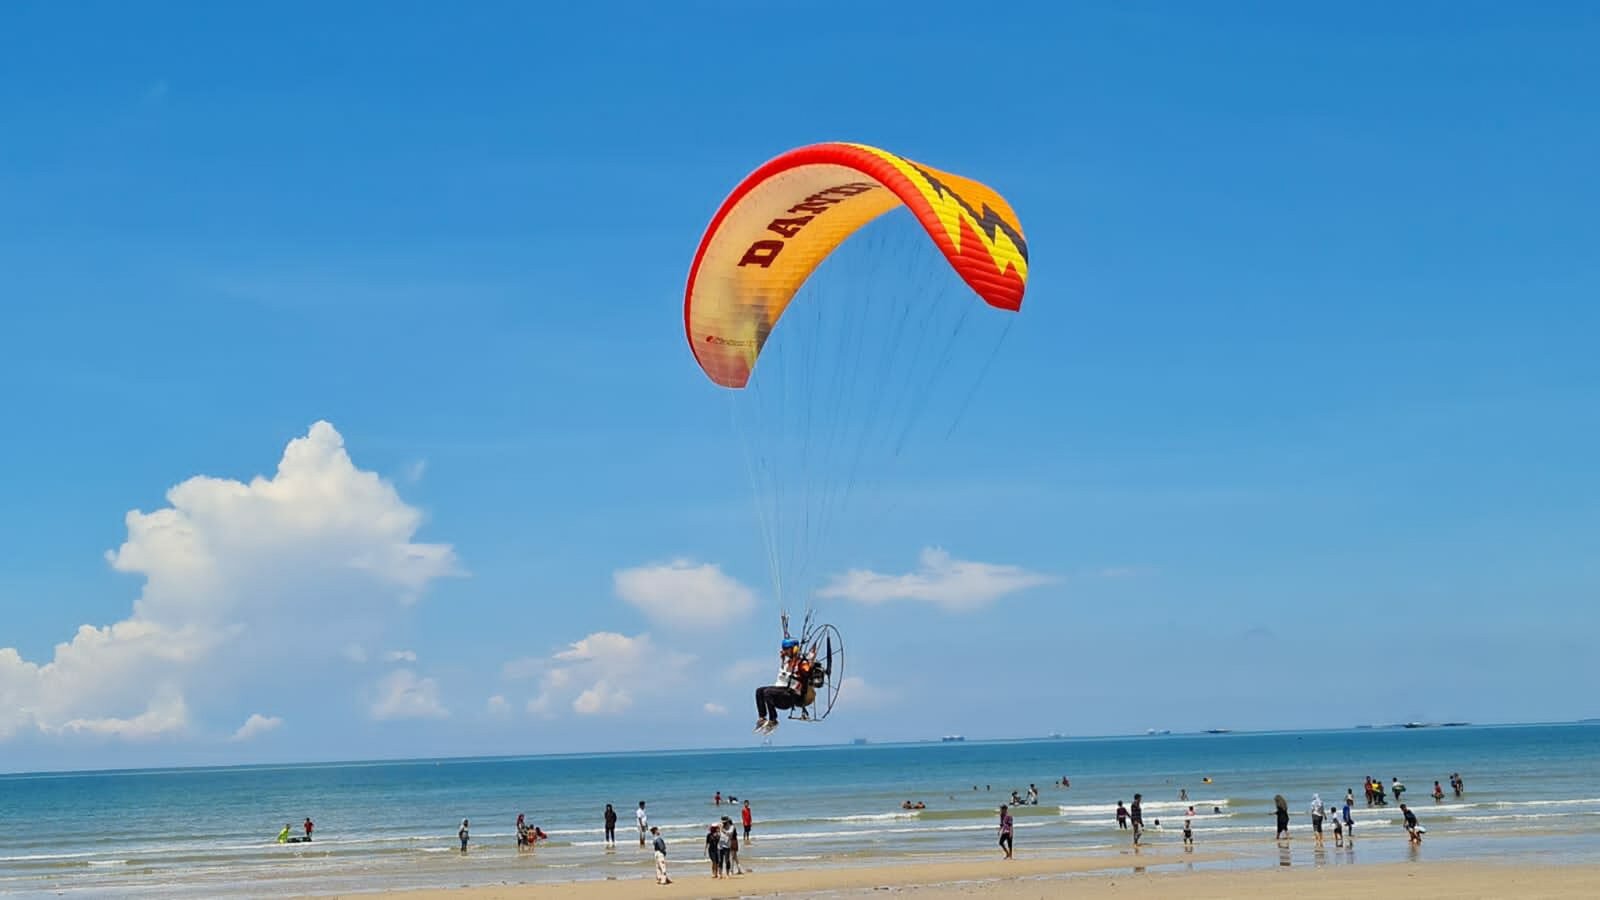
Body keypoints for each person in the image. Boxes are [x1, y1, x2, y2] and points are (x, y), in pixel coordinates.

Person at [753, 637, 815, 733]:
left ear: (794, 649)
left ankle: (773, 720)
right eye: (784, 649)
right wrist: (783, 659)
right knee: (759, 691)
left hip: (791, 696)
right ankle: (762, 718)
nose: (784, 651)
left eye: (787, 649)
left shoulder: (801, 663)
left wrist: (810, 663)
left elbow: (807, 672)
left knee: (767, 692)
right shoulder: (786, 662)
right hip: (781, 693)